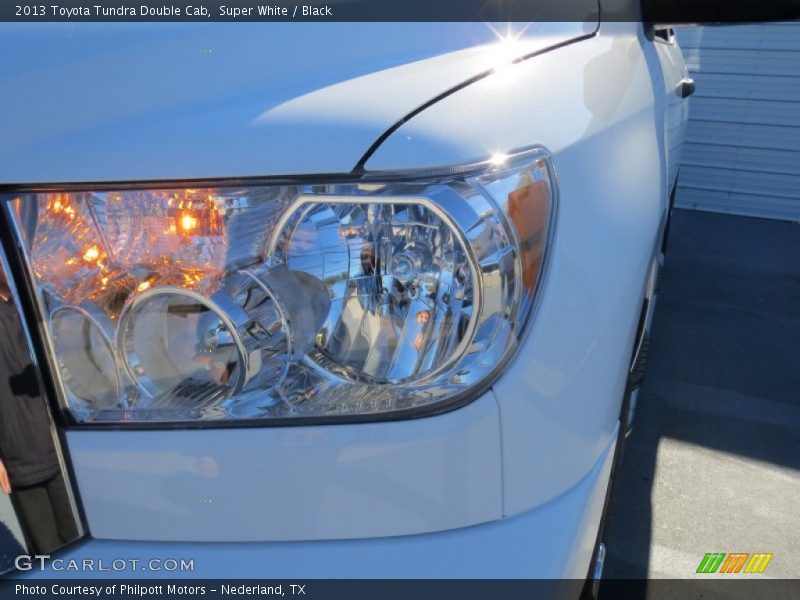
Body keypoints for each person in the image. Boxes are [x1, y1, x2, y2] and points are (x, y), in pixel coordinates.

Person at [0, 269, 78, 554]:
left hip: (55, 442)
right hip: (16, 449)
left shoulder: (30, 301)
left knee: (75, 539)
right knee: (46, 549)